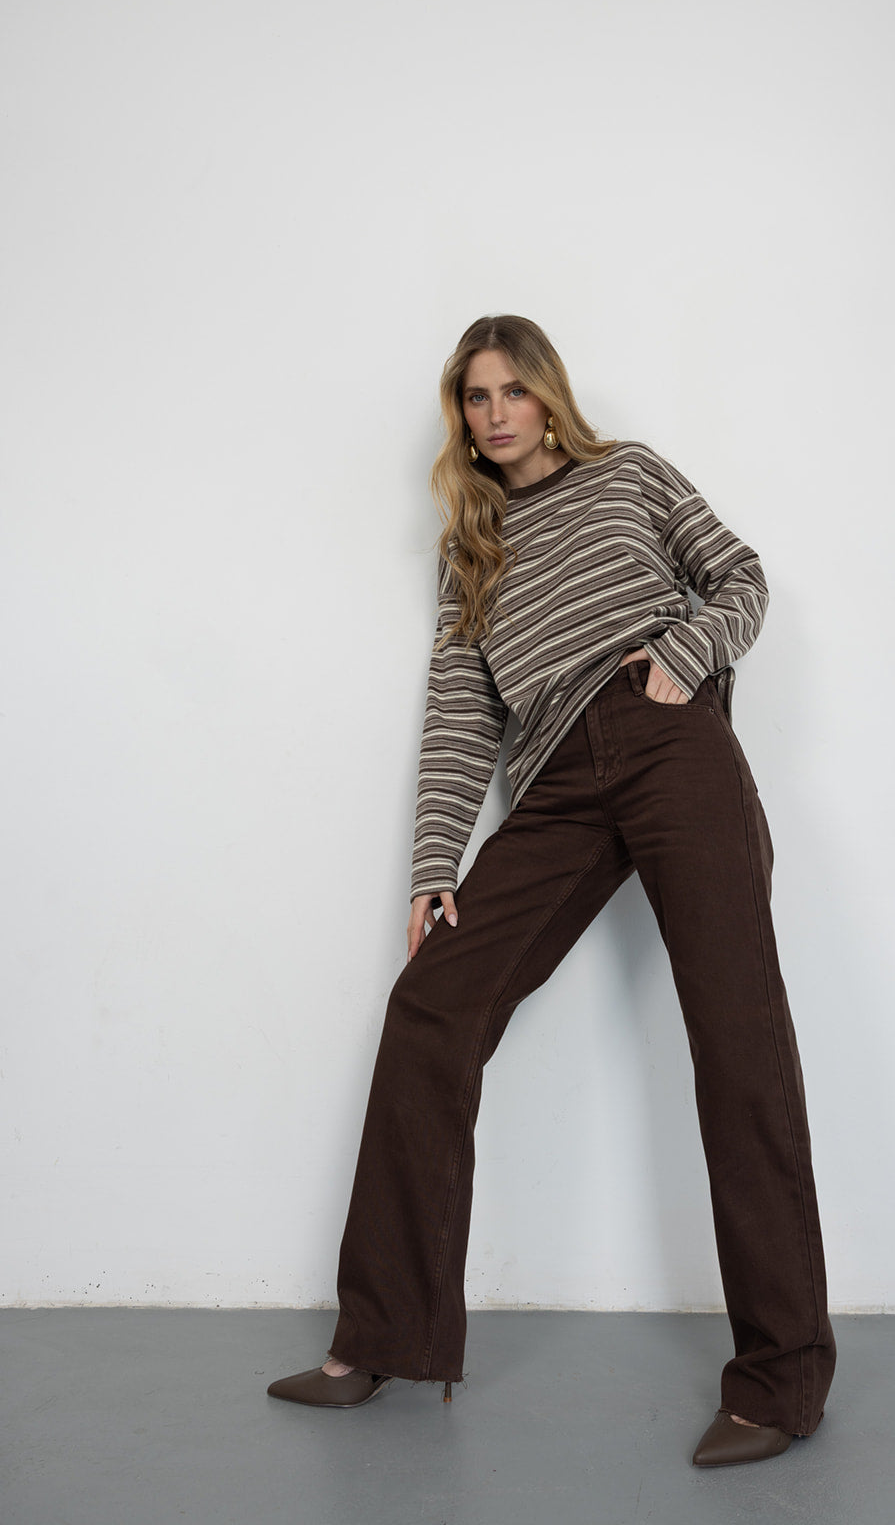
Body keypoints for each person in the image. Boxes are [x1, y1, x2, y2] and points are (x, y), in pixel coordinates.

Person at [267, 315, 836, 1467]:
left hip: (668, 741)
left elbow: (738, 574)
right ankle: (384, 1336)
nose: (494, 413)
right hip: (555, 784)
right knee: (431, 1008)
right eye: (474, 397)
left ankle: (779, 1382)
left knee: (736, 1037)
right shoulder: (470, 546)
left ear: (546, 395)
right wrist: (434, 866)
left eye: (511, 390)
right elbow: (459, 708)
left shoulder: (628, 473)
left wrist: (685, 655)